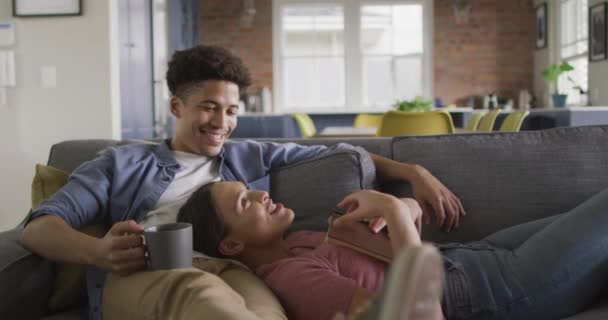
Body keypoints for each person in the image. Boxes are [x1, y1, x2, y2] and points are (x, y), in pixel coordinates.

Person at [19, 44, 464, 320]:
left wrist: (413, 172)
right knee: (197, 290)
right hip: (147, 274)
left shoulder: (247, 155)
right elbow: (41, 225)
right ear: (177, 106)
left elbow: (342, 153)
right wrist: (98, 252)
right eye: (209, 107)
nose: (222, 122)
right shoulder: (121, 162)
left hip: (234, 273)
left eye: (231, 111)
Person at [177, 180, 608, 320]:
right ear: (231, 244)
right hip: (491, 290)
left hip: (473, 255)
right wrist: (395, 215)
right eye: (243, 203)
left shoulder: (300, 243)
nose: (259, 195)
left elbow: (408, 228)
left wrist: (399, 208)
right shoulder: (292, 280)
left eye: (250, 189)